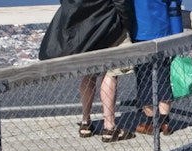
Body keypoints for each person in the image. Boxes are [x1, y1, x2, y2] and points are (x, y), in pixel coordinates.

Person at [40, 0, 134, 141]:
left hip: (83, 27)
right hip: (109, 23)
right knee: (110, 74)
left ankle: (85, 122)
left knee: (89, 74)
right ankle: (109, 126)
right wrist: (126, 22)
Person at [129, 0, 185, 135]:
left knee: (144, 77)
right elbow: (174, 4)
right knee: (163, 75)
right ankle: (165, 121)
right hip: (163, 29)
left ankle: (150, 122)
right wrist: (177, 33)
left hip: (140, 30)